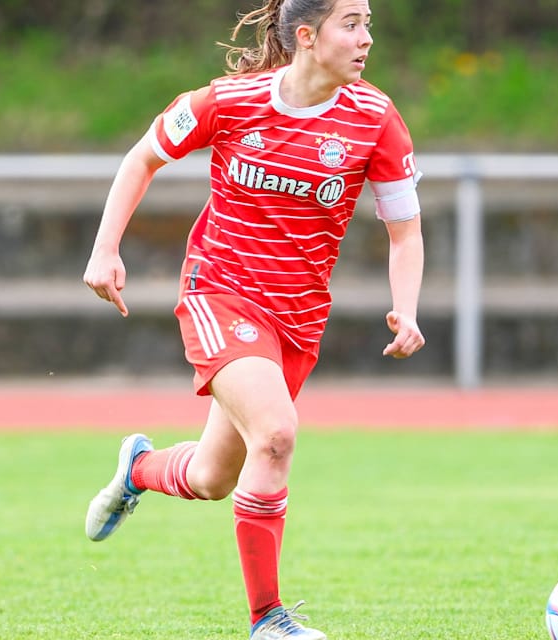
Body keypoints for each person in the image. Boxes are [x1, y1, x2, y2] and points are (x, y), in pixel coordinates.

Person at [81, 0, 424, 637]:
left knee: (213, 477)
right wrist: (105, 249)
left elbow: (405, 232)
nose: (367, 39)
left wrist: (405, 307)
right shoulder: (227, 101)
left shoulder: (376, 118)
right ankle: (269, 620)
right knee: (276, 433)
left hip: (297, 319)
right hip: (219, 293)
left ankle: (138, 469)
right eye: (351, 24)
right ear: (306, 35)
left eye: (368, 24)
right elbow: (142, 158)